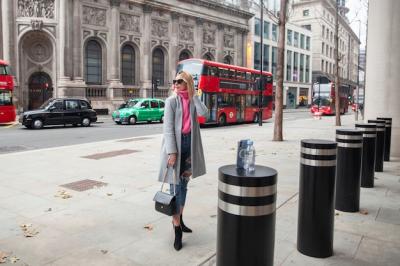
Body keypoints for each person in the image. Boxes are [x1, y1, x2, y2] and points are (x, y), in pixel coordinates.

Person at [157, 71, 208, 251]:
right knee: (175, 187)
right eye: (175, 81)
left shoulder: (192, 100)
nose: (176, 84)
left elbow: (205, 113)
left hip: (190, 145)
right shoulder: (171, 101)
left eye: (180, 81)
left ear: (187, 84)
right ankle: (177, 228)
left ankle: (180, 218)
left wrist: (194, 97)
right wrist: (172, 152)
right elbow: (168, 129)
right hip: (176, 146)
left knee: (184, 185)